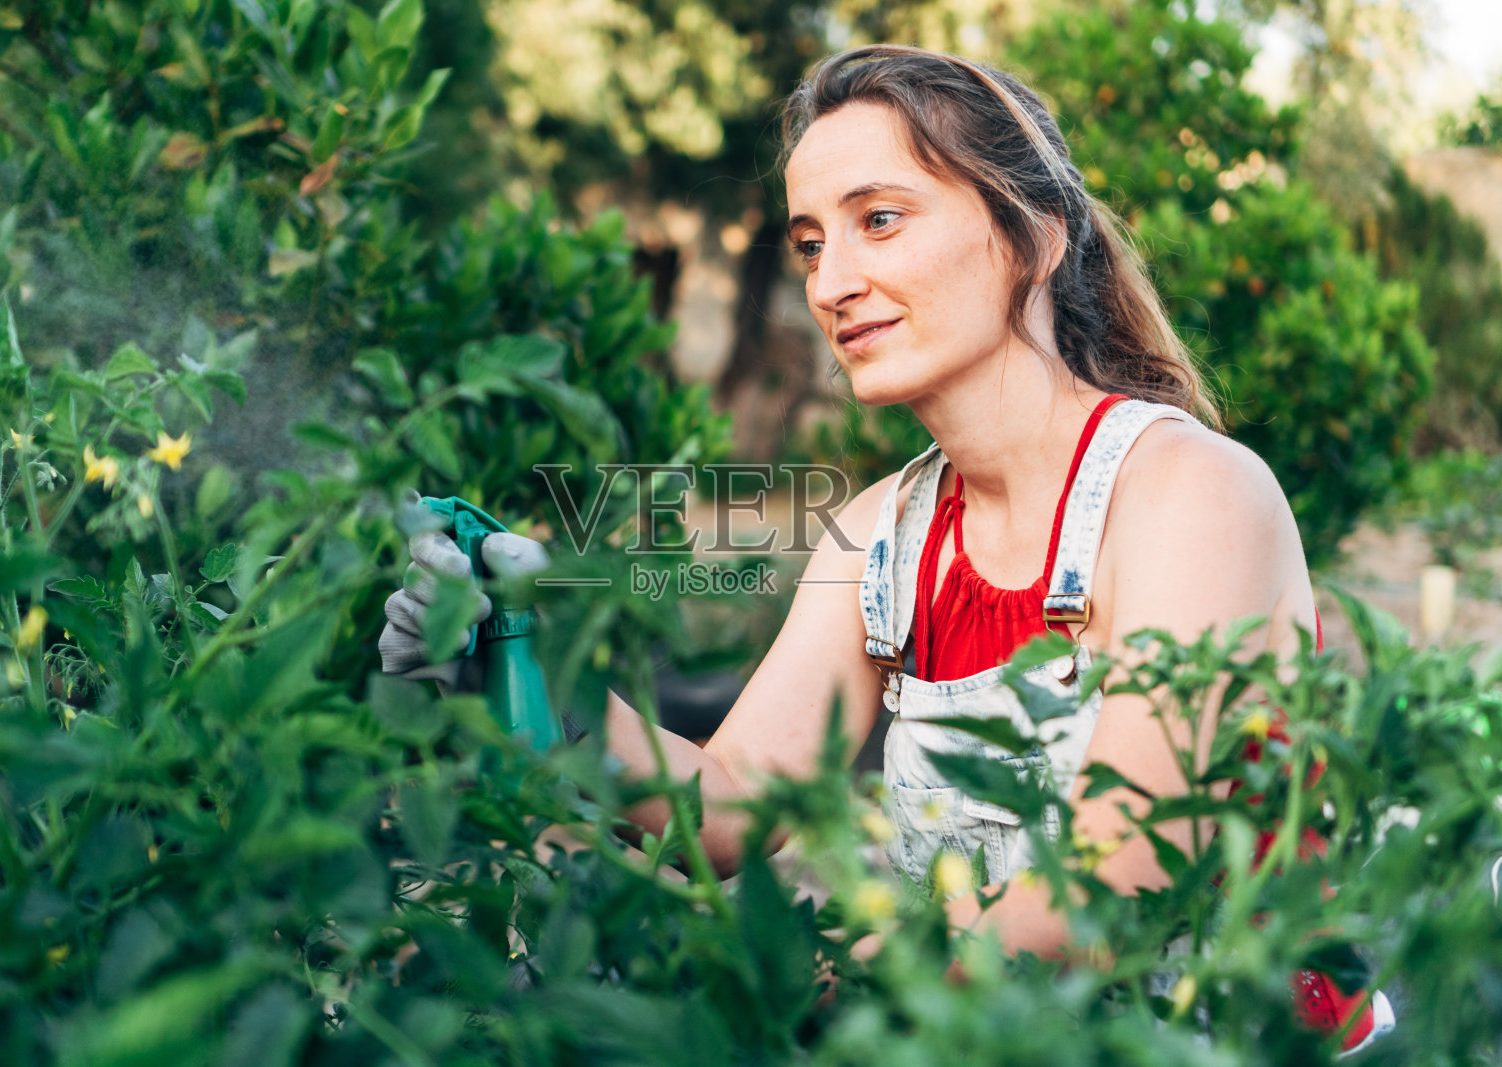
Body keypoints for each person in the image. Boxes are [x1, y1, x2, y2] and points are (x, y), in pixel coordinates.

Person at [381, 44, 1393, 1052]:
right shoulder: (884, 531)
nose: (831, 283)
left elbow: (1108, 887)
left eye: (879, 220)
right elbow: (733, 804)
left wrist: (815, 986)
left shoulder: (1188, 493)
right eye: (810, 243)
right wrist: (534, 662)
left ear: (1034, 235)